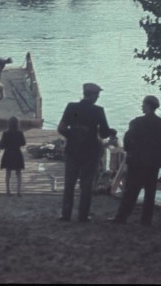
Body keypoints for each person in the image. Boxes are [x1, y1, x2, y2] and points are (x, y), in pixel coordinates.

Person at [111, 95, 161, 226]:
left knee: (130, 191)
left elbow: (127, 140)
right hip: (153, 162)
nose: (142, 106)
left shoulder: (136, 122)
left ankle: (122, 217)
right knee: (150, 192)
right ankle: (146, 220)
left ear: (147, 106)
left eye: (143, 104)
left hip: (137, 160)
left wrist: (130, 150)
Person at [57, 83, 115, 222]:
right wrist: (111, 132)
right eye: (98, 95)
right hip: (90, 152)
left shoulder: (71, 107)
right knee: (86, 185)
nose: (98, 97)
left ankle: (66, 214)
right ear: (93, 96)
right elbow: (104, 133)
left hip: (72, 150)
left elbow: (61, 128)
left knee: (69, 184)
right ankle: (83, 215)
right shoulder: (98, 111)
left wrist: (73, 135)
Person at [0, 116, 26, 196]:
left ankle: (8, 191)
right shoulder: (20, 133)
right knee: (18, 173)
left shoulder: (5, 133)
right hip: (17, 153)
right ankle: (18, 191)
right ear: (17, 124)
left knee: (8, 172)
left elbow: (2, 146)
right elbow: (23, 143)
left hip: (8, 154)